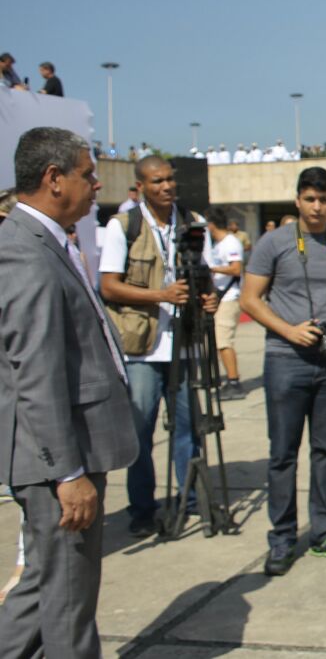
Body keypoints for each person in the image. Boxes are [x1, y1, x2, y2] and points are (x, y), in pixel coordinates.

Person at [0, 127, 138, 657]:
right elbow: (36, 373)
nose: (97, 183)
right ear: (54, 179)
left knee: (41, 590)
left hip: (62, 455)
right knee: (69, 607)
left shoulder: (48, 242)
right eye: (87, 173)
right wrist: (68, 473)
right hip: (57, 461)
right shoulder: (28, 253)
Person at [240, 167, 326, 576]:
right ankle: (282, 537)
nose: (317, 207)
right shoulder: (273, 243)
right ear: (297, 200)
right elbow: (250, 299)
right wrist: (290, 330)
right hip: (285, 358)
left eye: (324, 200)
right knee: (282, 454)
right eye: (310, 199)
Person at [99, 155, 215, 538]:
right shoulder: (124, 225)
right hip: (143, 348)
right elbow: (109, 286)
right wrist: (160, 294)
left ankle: (189, 500)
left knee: (188, 429)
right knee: (141, 432)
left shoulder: (193, 224)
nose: (165, 187)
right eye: (156, 181)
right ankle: (142, 509)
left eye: (169, 180)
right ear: (141, 186)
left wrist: (207, 299)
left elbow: (207, 277)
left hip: (184, 344)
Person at [204, 209, 245, 397]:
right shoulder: (219, 244)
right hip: (220, 297)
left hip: (229, 297)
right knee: (219, 341)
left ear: (211, 224)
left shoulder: (230, 243)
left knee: (224, 341)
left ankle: (234, 381)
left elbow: (236, 269)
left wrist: (212, 269)